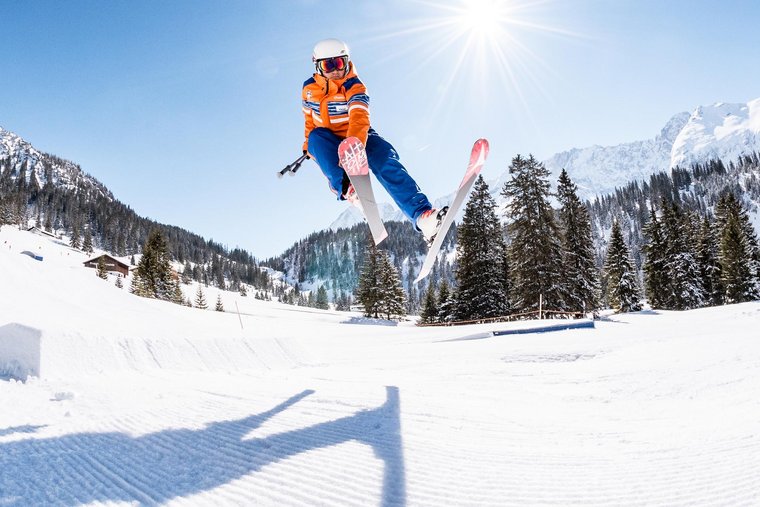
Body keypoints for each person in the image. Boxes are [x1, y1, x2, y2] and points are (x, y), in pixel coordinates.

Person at [301, 38, 444, 242]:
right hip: (328, 138)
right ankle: (348, 187)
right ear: (318, 66)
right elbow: (309, 120)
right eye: (328, 65)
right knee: (316, 139)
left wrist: (355, 146)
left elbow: (360, 118)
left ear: (347, 62)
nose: (335, 70)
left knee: (385, 157)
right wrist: (308, 146)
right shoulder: (308, 89)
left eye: (339, 63)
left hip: (359, 135)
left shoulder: (355, 86)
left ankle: (423, 217)